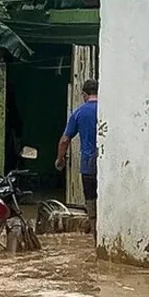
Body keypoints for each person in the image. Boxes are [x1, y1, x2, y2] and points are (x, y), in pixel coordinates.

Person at [56, 79, 98, 234]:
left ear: (85, 94)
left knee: (91, 199)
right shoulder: (106, 110)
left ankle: (94, 231)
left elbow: (65, 140)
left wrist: (60, 159)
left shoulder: (79, 113)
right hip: (107, 163)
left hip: (88, 163)